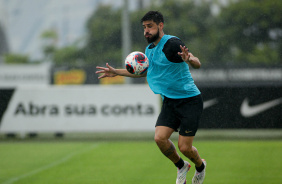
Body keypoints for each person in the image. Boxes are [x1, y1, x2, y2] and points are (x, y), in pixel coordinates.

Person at [96, 11, 206, 184]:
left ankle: (200, 167)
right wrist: (116, 72)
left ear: (160, 26)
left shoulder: (172, 43)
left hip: (189, 101)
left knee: (184, 147)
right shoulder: (149, 49)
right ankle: (181, 166)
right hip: (170, 102)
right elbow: (144, 73)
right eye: (144, 27)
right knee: (159, 138)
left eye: (150, 26)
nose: (146, 31)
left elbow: (196, 62)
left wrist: (189, 59)